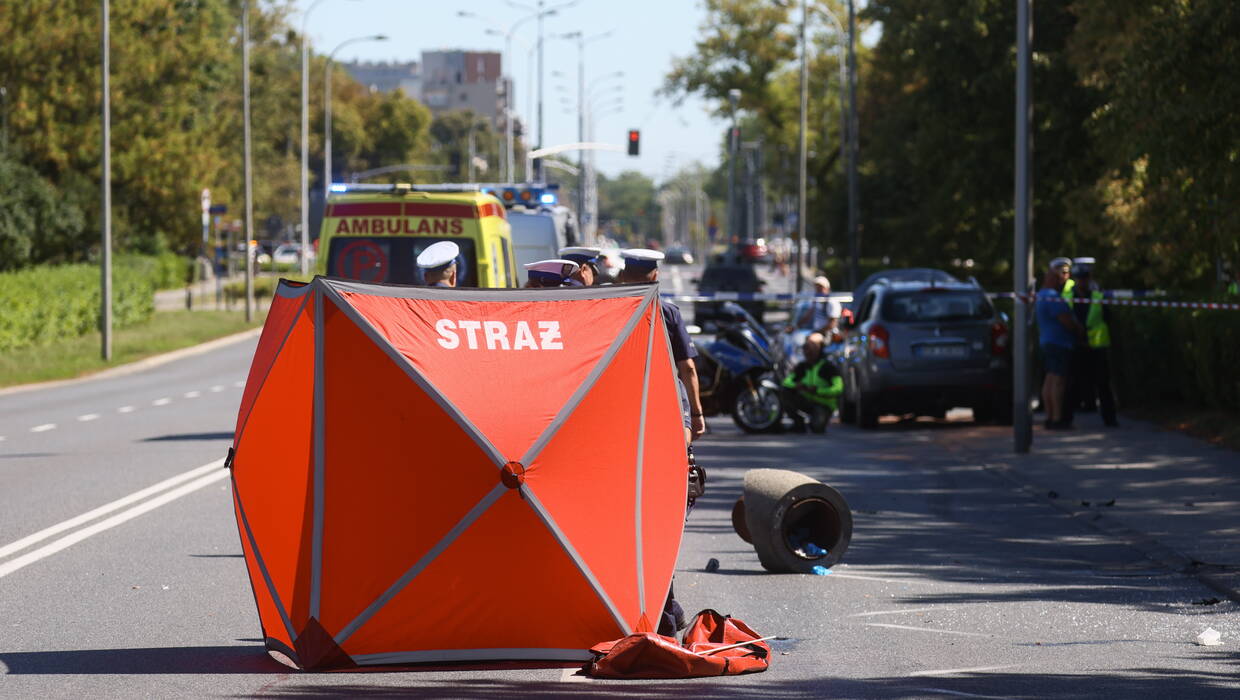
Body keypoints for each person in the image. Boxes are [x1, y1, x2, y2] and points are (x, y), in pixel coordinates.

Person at [618, 249, 706, 442]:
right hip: (663, 392)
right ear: (656, 276)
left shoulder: (610, 310)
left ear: (623, 276)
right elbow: (687, 368)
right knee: (682, 443)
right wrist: (696, 414)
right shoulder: (669, 313)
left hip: (620, 393)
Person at [1036, 257, 1086, 429]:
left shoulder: (1041, 295)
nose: (1066, 277)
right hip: (1059, 344)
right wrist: (1079, 330)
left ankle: (1051, 417)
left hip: (1048, 342)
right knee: (1058, 381)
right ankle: (1057, 419)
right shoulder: (1052, 297)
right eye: (1063, 274)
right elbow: (1067, 321)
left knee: (1050, 380)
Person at [1069, 258, 1119, 427]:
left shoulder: (1098, 295)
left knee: (1103, 384)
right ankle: (1068, 418)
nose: (1082, 281)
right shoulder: (1070, 295)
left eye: (1085, 278)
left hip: (1097, 346)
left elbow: (1108, 317)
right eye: (1079, 278)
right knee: (1073, 382)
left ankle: (1110, 419)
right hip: (1076, 344)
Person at [780, 332, 844, 434]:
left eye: (812, 348)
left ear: (819, 349)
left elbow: (838, 388)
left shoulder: (828, 367)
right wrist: (797, 386)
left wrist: (818, 391)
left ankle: (817, 421)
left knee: (817, 428)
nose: (808, 351)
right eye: (806, 348)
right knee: (785, 392)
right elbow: (786, 382)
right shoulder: (802, 366)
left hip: (824, 404)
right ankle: (798, 424)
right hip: (807, 401)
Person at [794, 276, 843, 342]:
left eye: (820, 287)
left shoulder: (832, 302)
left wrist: (817, 332)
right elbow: (808, 316)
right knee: (798, 339)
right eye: (817, 287)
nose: (818, 290)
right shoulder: (816, 301)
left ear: (827, 288)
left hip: (828, 334)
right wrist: (795, 326)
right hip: (817, 331)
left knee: (811, 342)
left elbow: (832, 324)